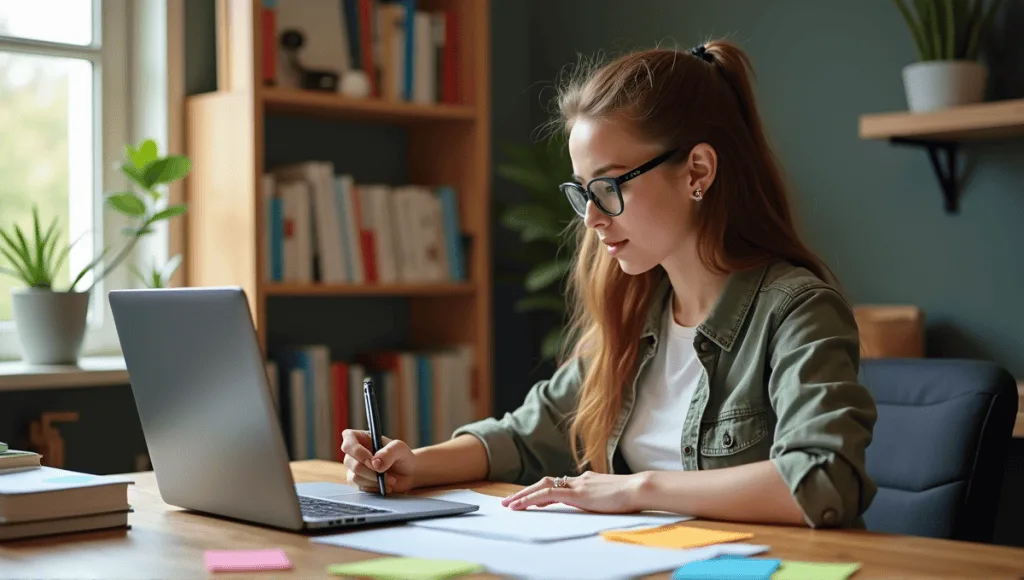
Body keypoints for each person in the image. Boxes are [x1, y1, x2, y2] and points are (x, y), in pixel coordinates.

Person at [340, 39, 877, 529]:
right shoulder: (637, 309)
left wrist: (634, 491)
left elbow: (824, 479)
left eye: (609, 186)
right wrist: (412, 465)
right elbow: (530, 433)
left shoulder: (798, 310)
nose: (592, 219)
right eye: (582, 192)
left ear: (698, 171)